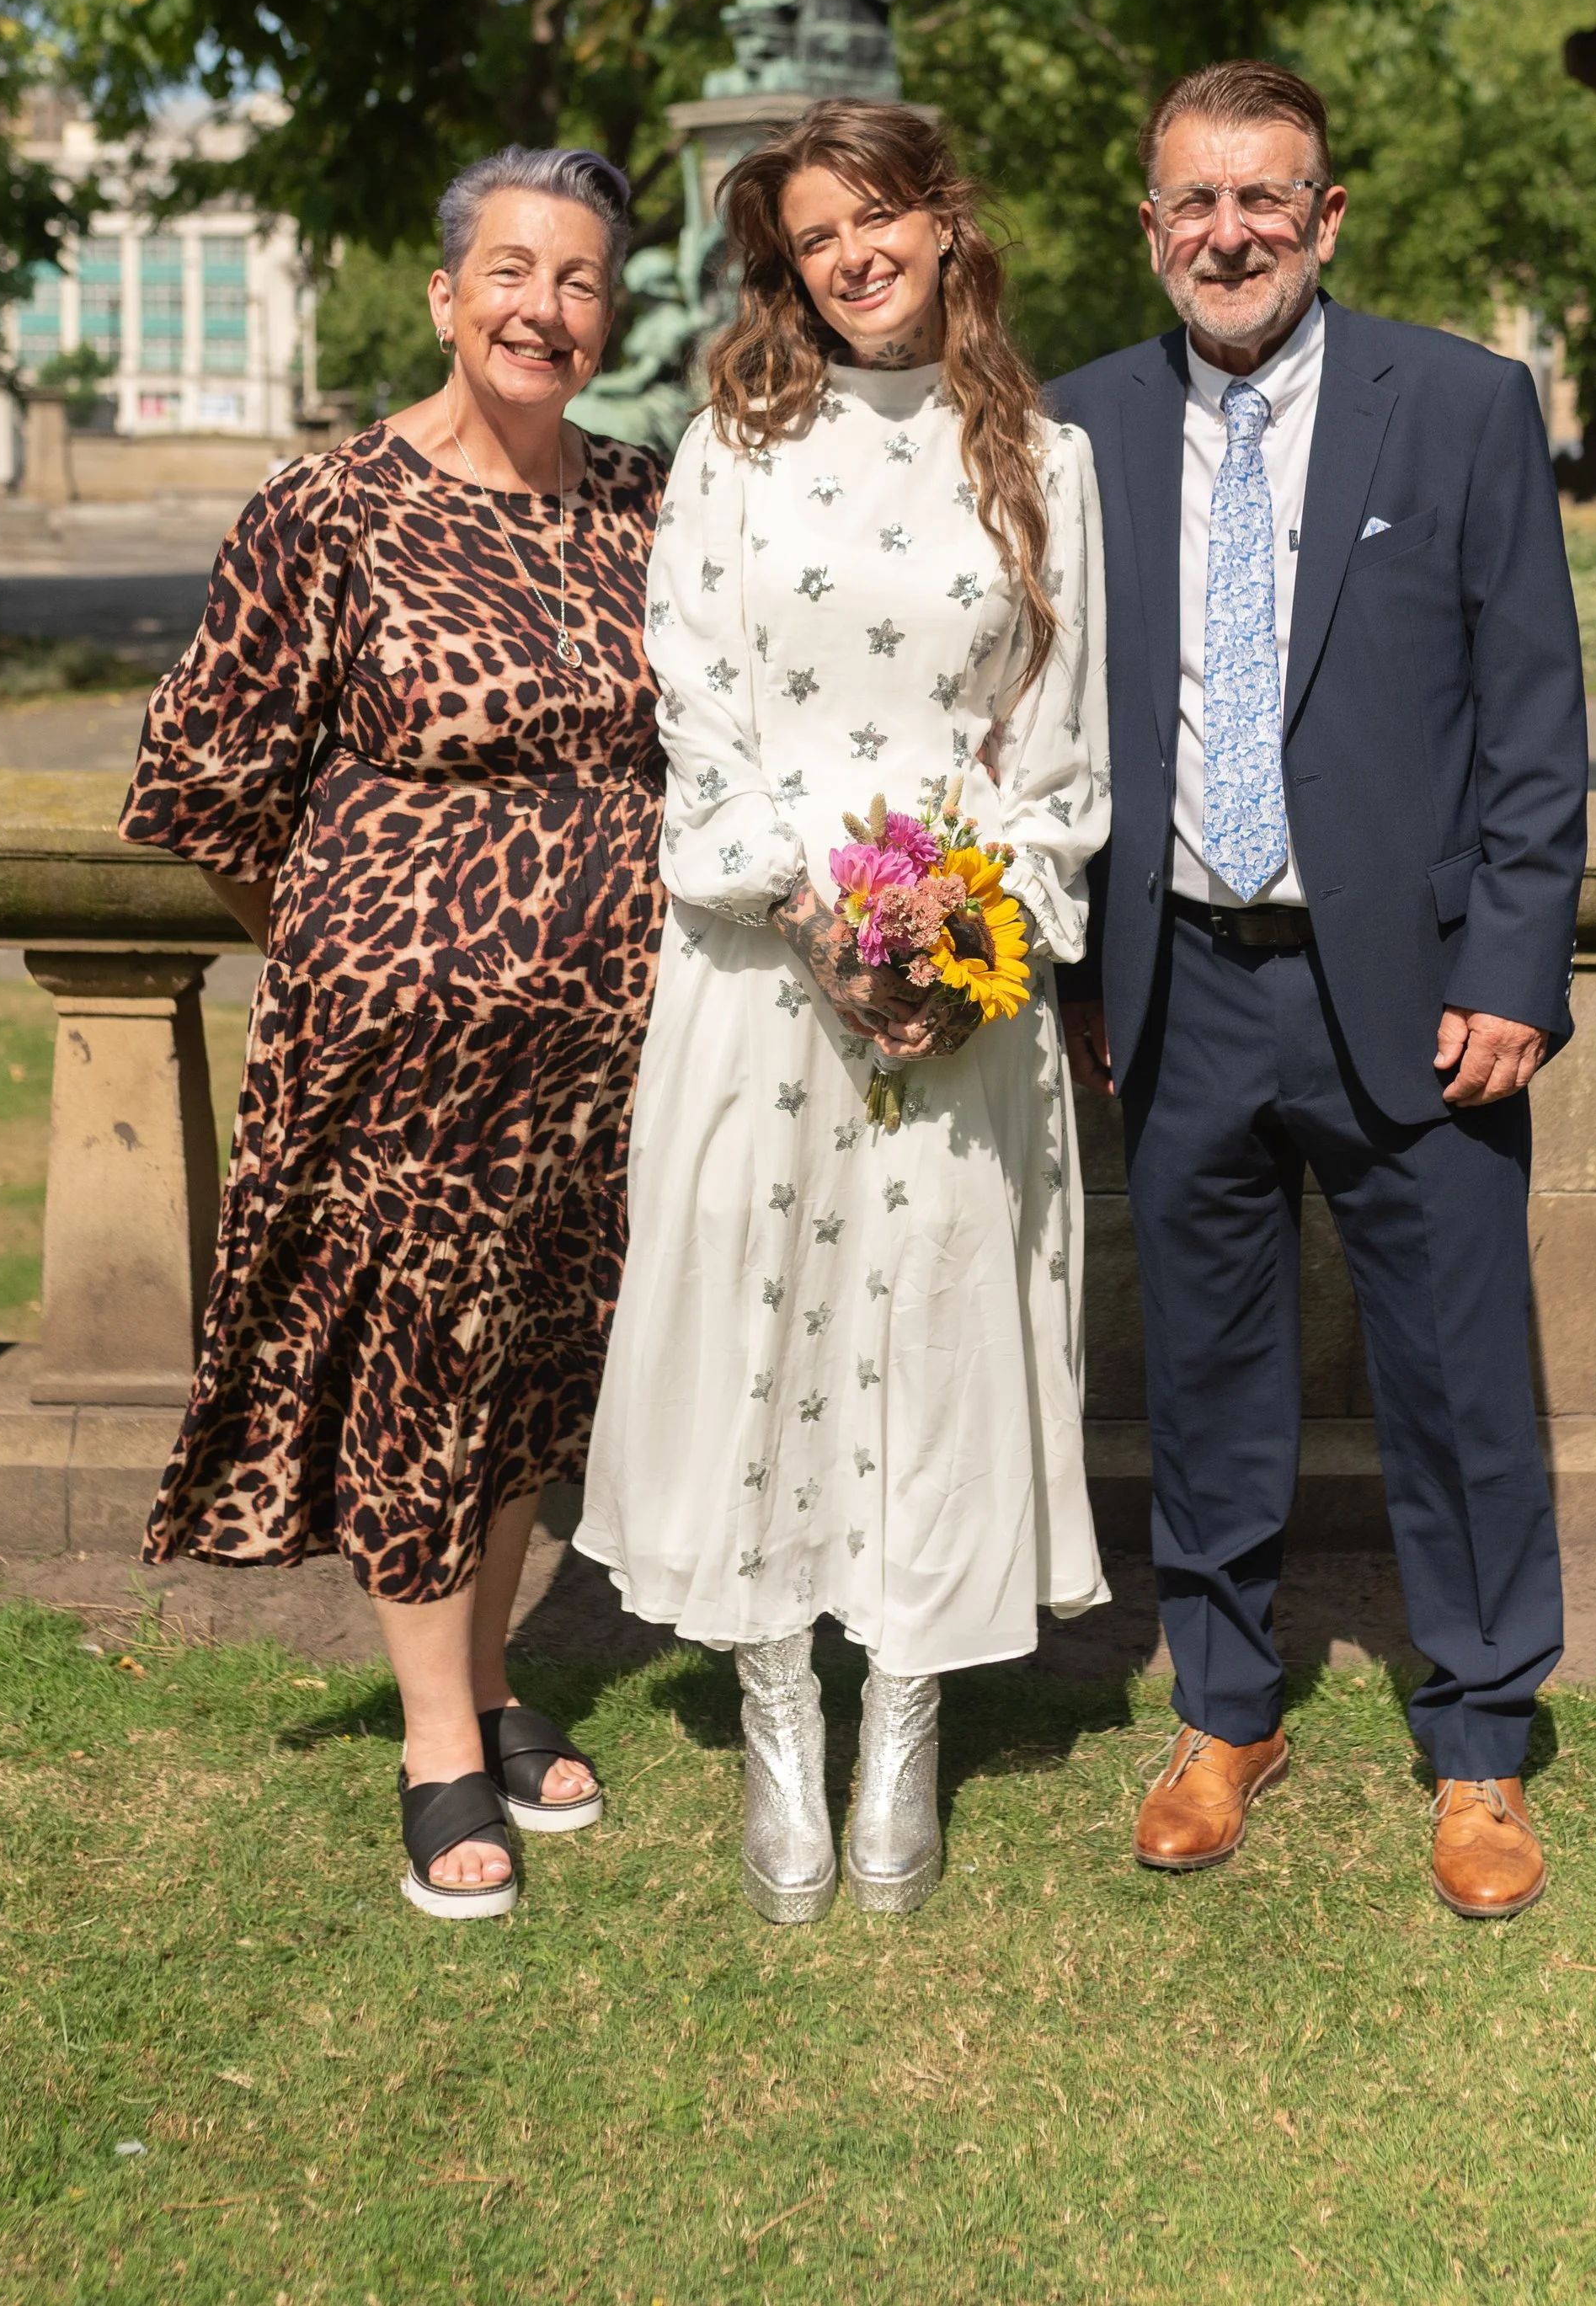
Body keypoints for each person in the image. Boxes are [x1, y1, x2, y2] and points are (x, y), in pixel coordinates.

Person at [1050, 61, 1586, 1920]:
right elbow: (1045, 731)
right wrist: (1072, 970)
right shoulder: (1071, 429)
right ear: (1148, 225)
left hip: (1421, 1001)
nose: (1227, 233)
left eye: (1262, 198)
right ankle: (1223, 1710)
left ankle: (1479, 1745)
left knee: (1456, 1386)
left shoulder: (1455, 406)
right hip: (1176, 989)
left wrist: (1513, 963)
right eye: (1192, 202)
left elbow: (1531, 725)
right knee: (1201, 1377)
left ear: (1324, 215)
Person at [577, 101, 1111, 1922]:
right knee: (761, 1310)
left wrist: (966, 942)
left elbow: (1055, 753)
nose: (854, 257)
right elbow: (694, 705)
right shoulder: (731, 447)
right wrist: (817, 918)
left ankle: (905, 1707)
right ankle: (776, 1705)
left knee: (932, 1316)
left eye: (880, 218)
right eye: (816, 238)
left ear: (949, 223)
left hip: (957, 982)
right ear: (782, 267)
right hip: (762, 959)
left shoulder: (1046, 456)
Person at [123, 147, 669, 1922]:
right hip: (403, 1053)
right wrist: (351, 921)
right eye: (511, 271)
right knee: (426, 1370)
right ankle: (439, 1744)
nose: (544, 309)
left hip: (600, 1053)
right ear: (445, 297)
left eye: (580, 280)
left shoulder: (648, 499)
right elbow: (204, 779)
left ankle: (497, 1679)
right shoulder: (329, 505)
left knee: (528, 1366)